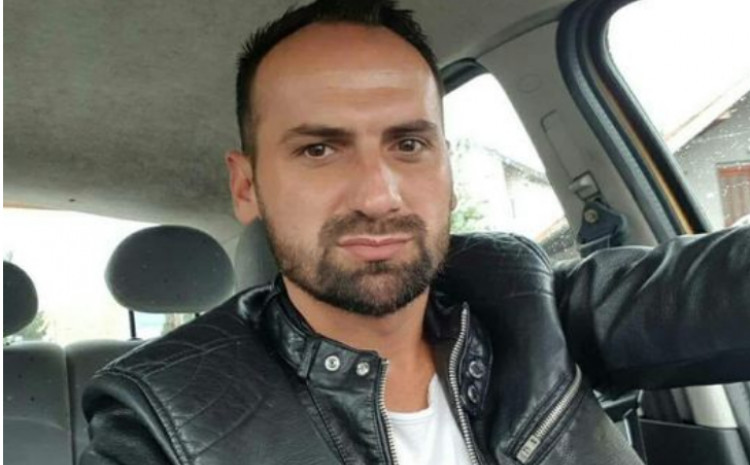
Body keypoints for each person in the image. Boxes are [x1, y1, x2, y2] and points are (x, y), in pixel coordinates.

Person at [81, 1, 750, 464]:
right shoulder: (163, 417)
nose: (379, 196)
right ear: (246, 185)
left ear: (446, 168)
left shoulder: (526, 302)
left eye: (408, 144)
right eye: (319, 149)